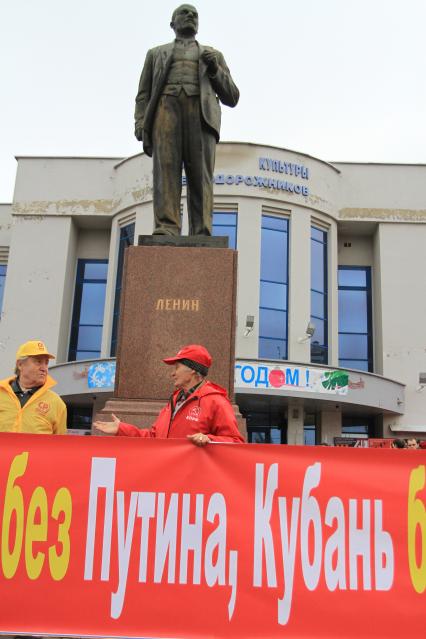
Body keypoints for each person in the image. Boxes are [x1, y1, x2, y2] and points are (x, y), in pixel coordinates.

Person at [134, 4, 239, 236]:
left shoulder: (213, 55)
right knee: (166, 171)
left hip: (201, 115)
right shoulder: (155, 54)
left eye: (195, 14)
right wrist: (140, 122)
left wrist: (215, 69)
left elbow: (232, 96)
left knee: (201, 175)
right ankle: (166, 227)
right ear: (173, 23)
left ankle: (201, 231)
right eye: (185, 13)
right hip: (165, 110)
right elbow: (143, 94)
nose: (191, 16)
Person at [94, 344, 245, 445]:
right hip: (169, 484)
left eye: (177, 367)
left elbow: (236, 442)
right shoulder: (175, 400)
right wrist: (121, 429)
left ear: (193, 370)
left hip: (195, 485)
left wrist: (209, 440)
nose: (172, 373)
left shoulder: (216, 401)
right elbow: (154, 438)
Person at [0, 340, 67, 434]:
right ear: (20, 365)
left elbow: (60, 444)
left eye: (46, 363)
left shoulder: (56, 403)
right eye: (38, 362)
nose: (44, 368)